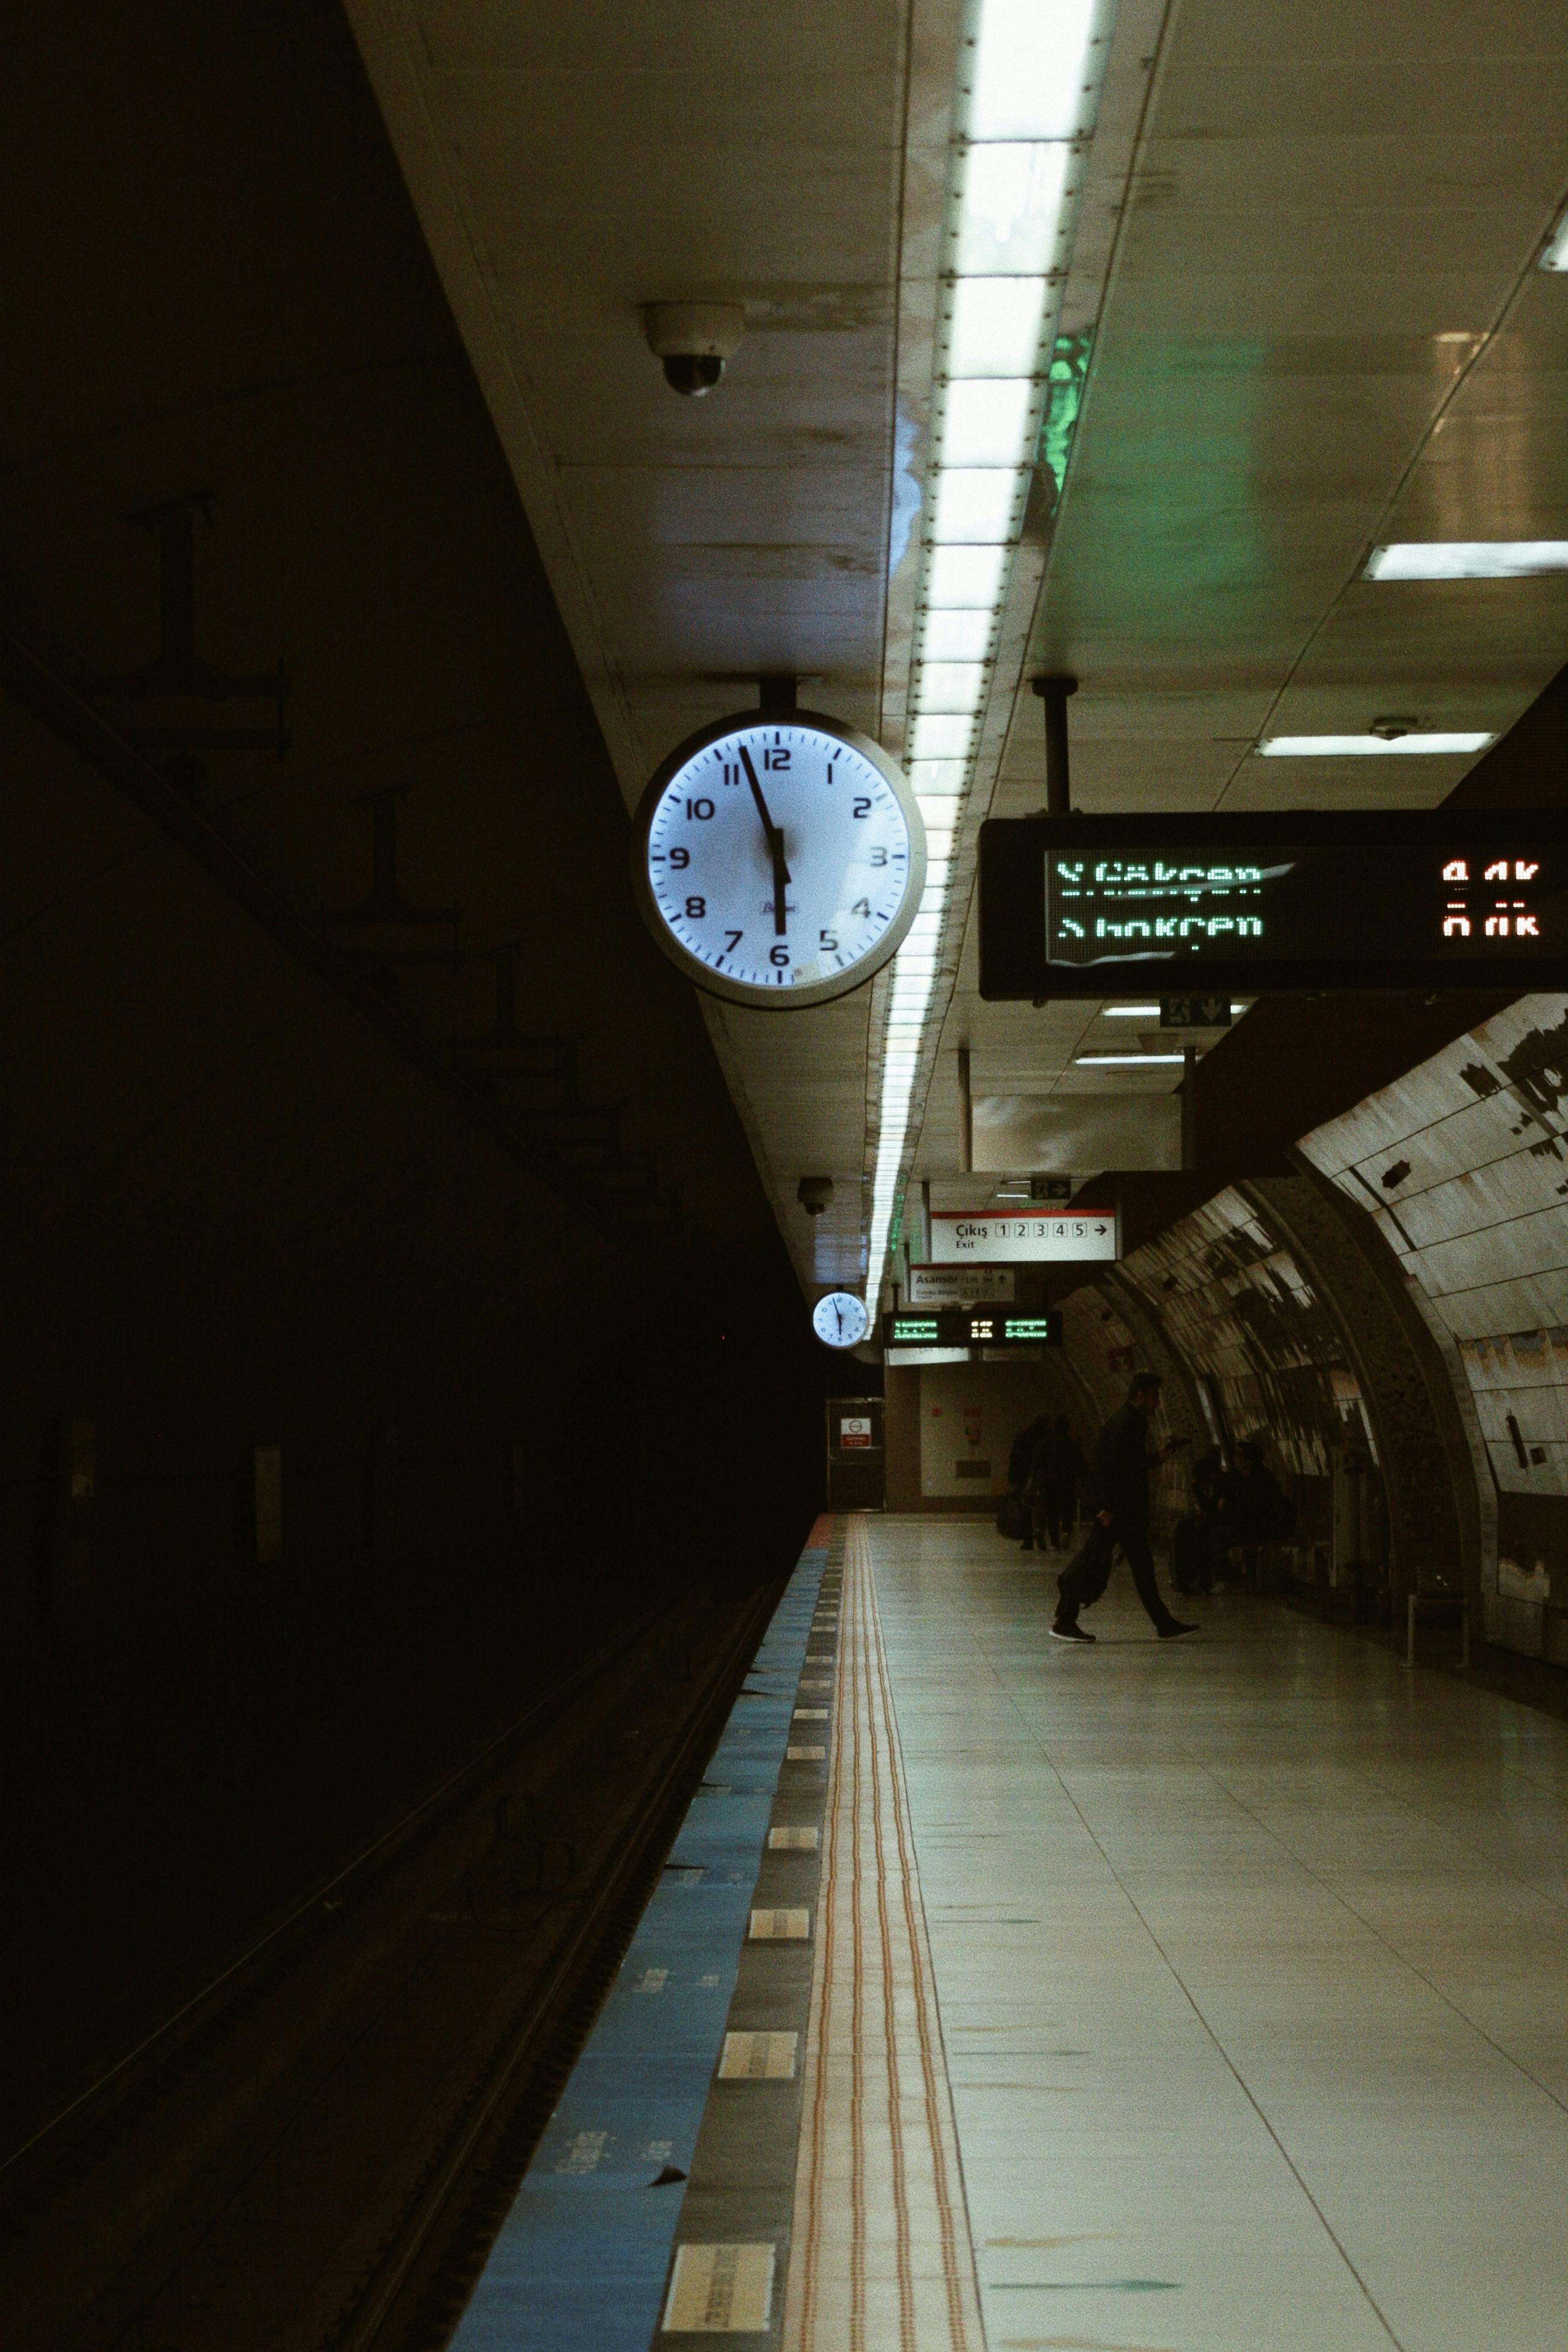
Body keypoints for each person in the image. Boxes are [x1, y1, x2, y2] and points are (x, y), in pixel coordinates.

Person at [1051, 1371, 1197, 1643]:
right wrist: (1107, 1507)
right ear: (1139, 1395)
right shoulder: (1127, 1423)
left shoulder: (1130, 1421)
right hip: (1117, 1511)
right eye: (1154, 1396)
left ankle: (1164, 1623)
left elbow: (1131, 1464)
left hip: (1123, 1510)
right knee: (1092, 1562)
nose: (1157, 1403)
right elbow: (1114, 1468)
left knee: (1141, 1567)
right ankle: (1065, 1620)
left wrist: (1158, 1457)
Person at [1209, 1439, 1291, 1587]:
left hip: (1259, 1527)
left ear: (1249, 1460)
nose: (1235, 1458)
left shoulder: (1259, 1481)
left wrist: (1228, 1508)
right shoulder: (1244, 1478)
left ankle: (1230, 1576)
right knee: (1215, 1531)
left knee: (1216, 1536)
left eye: (1239, 1455)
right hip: (1251, 1524)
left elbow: (1251, 1511)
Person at [1030, 1414, 1085, 1551]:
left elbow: (1037, 1464)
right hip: (1067, 1483)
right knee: (1067, 1510)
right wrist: (1085, 1481)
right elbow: (1081, 1466)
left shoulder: (1045, 1444)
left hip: (1049, 1484)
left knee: (1052, 1513)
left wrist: (1038, 1481)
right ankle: (1066, 1532)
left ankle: (1054, 1541)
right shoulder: (1072, 1445)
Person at [1007, 1411, 1052, 1550]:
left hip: (1023, 1477)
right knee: (1041, 1506)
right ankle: (1039, 1530)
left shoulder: (1023, 1437)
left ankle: (1027, 1540)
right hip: (1042, 1477)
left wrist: (1012, 1479)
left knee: (1025, 1508)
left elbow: (1014, 1459)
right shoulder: (1049, 1437)